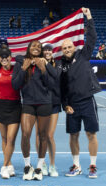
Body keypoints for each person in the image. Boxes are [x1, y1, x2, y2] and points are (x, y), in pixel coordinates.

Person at [59, 8, 101, 179]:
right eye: (64, 48)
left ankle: (92, 166)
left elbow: (91, 38)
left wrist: (89, 17)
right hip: (72, 105)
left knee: (91, 134)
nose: (67, 49)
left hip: (87, 101)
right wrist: (65, 105)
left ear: (74, 47)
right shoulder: (61, 65)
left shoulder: (83, 55)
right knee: (73, 135)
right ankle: (76, 166)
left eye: (69, 47)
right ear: (62, 50)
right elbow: (61, 88)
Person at [12, 40, 53, 181]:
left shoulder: (45, 63)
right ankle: (27, 166)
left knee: (42, 136)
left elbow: (52, 85)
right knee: (25, 134)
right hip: (28, 104)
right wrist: (23, 69)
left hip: (44, 104)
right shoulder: (20, 63)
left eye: (39, 47)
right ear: (29, 48)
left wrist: (43, 69)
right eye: (33, 46)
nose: (36, 48)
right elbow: (15, 85)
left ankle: (39, 168)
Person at [35, 43, 61, 177]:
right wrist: (42, 64)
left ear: (52, 52)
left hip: (54, 103)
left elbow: (56, 76)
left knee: (49, 136)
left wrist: (46, 64)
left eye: (49, 50)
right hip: (40, 102)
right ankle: (42, 163)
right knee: (39, 135)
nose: (47, 52)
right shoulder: (38, 64)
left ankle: (52, 165)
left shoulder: (58, 64)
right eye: (45, 50)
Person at [0, 46, 21, 179]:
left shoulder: (16, 70)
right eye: (2, 57)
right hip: (0, 105)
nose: (4, 59)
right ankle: (9, 164)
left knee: (11, 138)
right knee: (4, 138)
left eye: (7, 57)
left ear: (11, 58)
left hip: (14, 106)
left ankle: (4, 166)